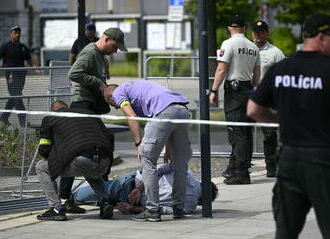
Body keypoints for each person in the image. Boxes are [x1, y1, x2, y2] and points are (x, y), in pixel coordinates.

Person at [247, 13, 330, 238]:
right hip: (322, 161)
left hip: (289, 160)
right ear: (322, 36)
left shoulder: (282, 68)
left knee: (285, 232)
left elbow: (252, 110)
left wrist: (279, 120)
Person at [104, 80, 192, 222]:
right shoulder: (137, 90)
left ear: (111, 97)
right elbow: (167, 124)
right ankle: (178, 208)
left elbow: (131, 117)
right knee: (180, 164)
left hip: (163, 111)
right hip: (181, 109)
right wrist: (168, 149)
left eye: (110, 103)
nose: (114, 107)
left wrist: (139, 143)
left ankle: (152, 210)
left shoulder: (118, 92)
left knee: (147, 160)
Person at [60, 27, 127, 213]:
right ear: (106, 39)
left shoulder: (102, 57)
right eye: (115, 46)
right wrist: (99, 84)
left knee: (95, 147)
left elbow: (99, 81)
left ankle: (100, 197)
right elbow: (73, 73)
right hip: (81, 106)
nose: (115, 51)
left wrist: (106, 91)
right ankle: (68, 199)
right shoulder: (90, 52)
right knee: (82, 150)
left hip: (91, 107)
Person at [36, 101, 114, 221]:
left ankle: (56, 208)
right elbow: (109, 137)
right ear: (67, 108)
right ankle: (105, 202)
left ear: (53, 111)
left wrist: (57, 156)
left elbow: (44, 149)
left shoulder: (50, 118)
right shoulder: (88, 113)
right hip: (104, 161)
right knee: (90, 169)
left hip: (82, 161)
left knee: (41, 166)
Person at [209, 15, 261, 185]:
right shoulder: (253, 47)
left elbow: (221, 70)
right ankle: (236, 167)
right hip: (248, 88)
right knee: (245, 130)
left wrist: (214, 90)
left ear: (230, 28)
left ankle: (240, 172)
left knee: (236, 131)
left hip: (235, 88)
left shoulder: (228, 44)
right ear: (244, 28)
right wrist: (253, 90)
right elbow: (257, 74)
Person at [73, 164, 219, 215]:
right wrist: (132, 209)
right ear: (202, 202)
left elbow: (156, 170)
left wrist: (138, 188)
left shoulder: (185, 172)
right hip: (136, 202)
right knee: (104, 194)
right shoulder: (190, 206)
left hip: (134, 182)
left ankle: (71, 199)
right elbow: (162, 209)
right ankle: (103, 203)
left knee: (103, 189)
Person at [251, 20, 285, 177]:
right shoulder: (246, 49)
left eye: (261, 31)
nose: (257, 34)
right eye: (255, 31)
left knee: (270, 134)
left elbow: (284, 76)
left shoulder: (276, 53)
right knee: (241, 133)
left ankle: (271, 167)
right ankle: (241, 167)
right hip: (247, 96)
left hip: (267, 99)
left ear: (267, 33)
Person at [0, 26, 38, 127]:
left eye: (19, 33)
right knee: (17, 96)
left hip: (21, 76)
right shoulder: (5, 46)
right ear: (11, 34)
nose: (18, 35)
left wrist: (35, 68)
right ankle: (23, 121)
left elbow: (29, 60)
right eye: (15, 32)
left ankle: (4, 117)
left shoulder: (23, 47)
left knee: (14, 96)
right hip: (11, 75)